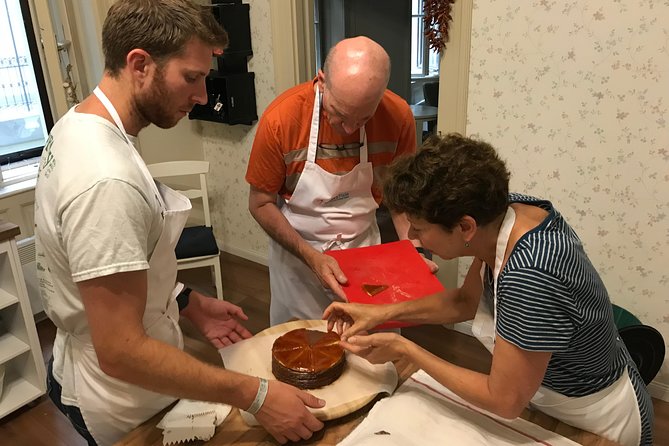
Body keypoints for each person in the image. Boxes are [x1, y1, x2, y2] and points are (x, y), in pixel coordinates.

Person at [34, 1, 324, 444]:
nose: (203, 96)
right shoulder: (105, 178)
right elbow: (122, 352)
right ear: (139, 64)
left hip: (111, 368)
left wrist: (185, 301)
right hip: (120, 397)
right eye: (192, 77)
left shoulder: (79, 124)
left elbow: (114, 264)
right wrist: (256, 394)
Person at [324, 134, 654, 446]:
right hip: (546, 394)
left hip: (592, 419)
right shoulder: (504, 213)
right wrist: (379, 312)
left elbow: (505, 400)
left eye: (420, 228)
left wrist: (405, 349)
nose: (411, 236)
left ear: (465, 226)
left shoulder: (530, 273)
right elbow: (466, 301)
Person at [246, 36, 436, 325]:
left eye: (363, 119)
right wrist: (311, 257)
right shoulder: (281, 120)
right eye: (340, 115)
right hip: (299, 260)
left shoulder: (397, 117)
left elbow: (400, 200)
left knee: (371, 354)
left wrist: (415, 250)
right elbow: (260, 204)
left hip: (365, 257)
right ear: (322, 81)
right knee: (300, 352)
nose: (349, 128)